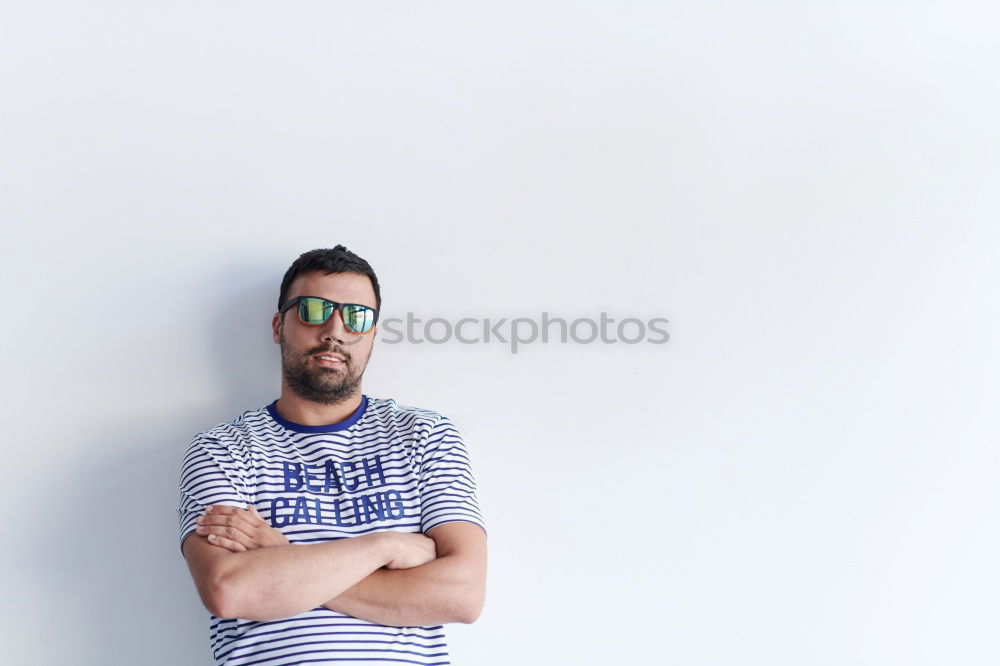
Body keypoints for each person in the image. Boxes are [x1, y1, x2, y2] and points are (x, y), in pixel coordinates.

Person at [177, 245, 488, 666]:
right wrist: (386, 546)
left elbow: (462, 594)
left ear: (373, 335)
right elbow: (230, 591)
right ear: (278, 325)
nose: (335, 330)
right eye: (313, 310)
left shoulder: (425, 436)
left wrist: (282, 559)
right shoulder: (223, 449)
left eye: (356, 316)